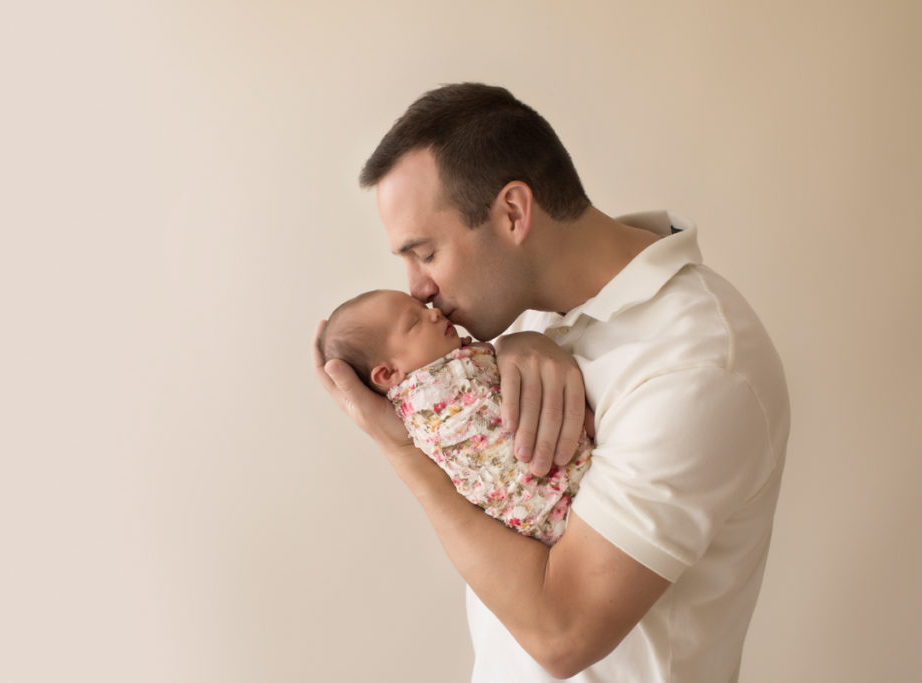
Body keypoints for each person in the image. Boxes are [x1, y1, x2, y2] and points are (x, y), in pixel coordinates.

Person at [313, 82, 790, 681]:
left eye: (426, 253)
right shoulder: (522, 310)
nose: (416, 288)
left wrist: (404, 452)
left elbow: (561, 635)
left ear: (513, 213)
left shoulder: (697, 365)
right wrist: (522, 342)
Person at [318, 288, 593, 545]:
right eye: (415, 322)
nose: (434, 313)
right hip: (560, 491)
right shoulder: (434, 391)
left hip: (537, 521)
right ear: (389, 374)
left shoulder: (421, 402)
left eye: (422, 308)